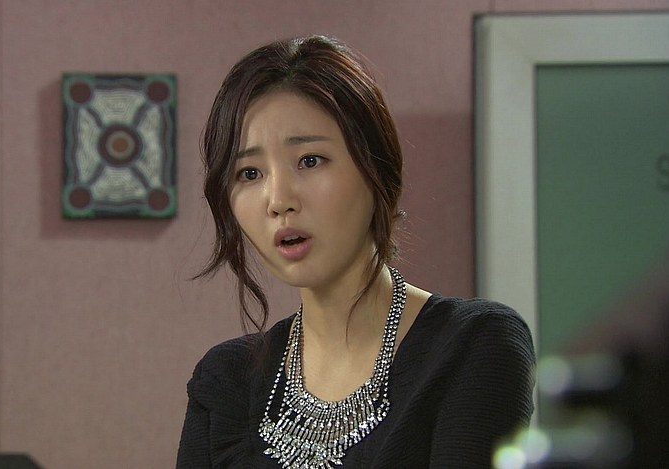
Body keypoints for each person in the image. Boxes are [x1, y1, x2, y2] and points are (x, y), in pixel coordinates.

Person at [177, 35, 535, 468]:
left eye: (310, 160)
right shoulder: (225, 380)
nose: (279, 200)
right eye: (249, 173)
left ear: (375, 169)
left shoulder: (474, 344)